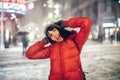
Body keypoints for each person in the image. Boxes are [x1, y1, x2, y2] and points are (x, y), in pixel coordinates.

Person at [26, 17, 92, 80]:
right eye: (51, 35)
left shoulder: (75, 41)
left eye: (54, 31)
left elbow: (86, 22)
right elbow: (30, 54)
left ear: (60, 30)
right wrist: (44, 41)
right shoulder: (51, 49)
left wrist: (66, 23)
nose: (54, 35)